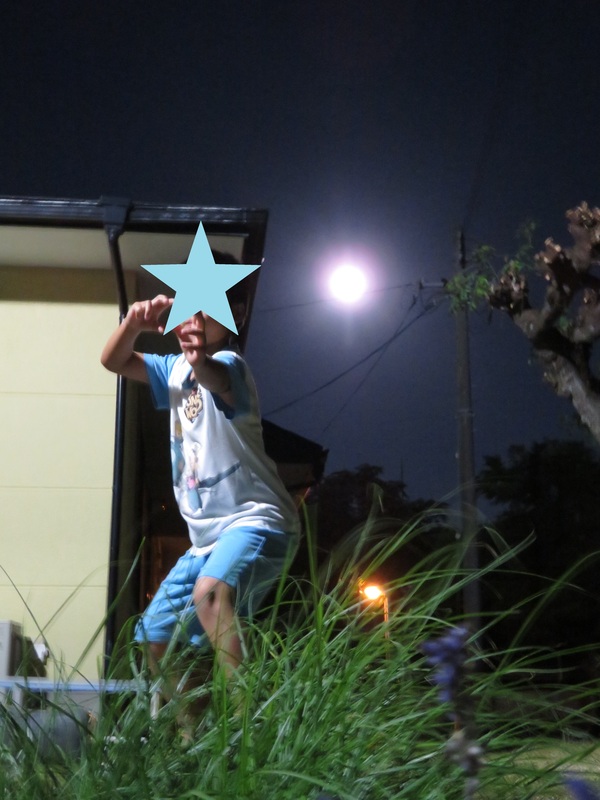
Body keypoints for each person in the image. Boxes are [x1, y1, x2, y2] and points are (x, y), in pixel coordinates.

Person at [100, 278, 300, 704]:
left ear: (235, 315)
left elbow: (217, 379)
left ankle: (249, 723)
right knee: (155, 635)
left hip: (257, 520)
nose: (193, 316)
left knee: (210, 596)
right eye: (190, 304)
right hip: (205, 541)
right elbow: (114, 360)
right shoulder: (173, 370)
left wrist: (200, 360)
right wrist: (132, 323)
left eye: (207, 307)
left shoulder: (231, 365)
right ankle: (195, 734)